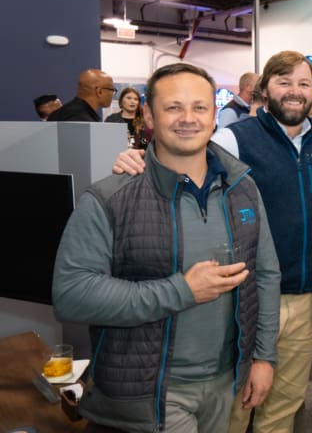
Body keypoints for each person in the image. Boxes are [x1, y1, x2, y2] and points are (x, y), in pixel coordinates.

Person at [52, 62, 281, 433]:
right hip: (152, 392)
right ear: (149, 114)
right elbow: (71, 294)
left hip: (223, 385)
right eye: (174, 107)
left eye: (200, 107)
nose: (188, 118)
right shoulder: (110, 197)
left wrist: (263, 357)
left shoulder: (243, 188)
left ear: (214, 115)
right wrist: (182, 290)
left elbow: (266, 276)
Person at [112, 51, 312, 433]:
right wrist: (137, 162)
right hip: (242, 296)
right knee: (233, 408)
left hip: (304, 295)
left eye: (304, 83)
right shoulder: (233, 137)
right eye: (284, 82)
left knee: (283, 406)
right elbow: (183, 166)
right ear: (264, 89)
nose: (295, 92)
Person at [47, 69, 115, 122]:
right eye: (112, 90)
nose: (113, 94)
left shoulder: (60, 113)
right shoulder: (83, 121)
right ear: (99, 91)